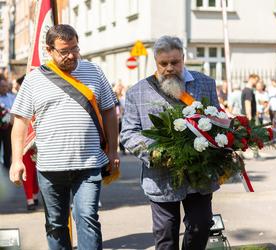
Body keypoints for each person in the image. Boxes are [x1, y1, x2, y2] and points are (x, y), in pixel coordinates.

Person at [9, 24, 119, 250]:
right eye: (64, 51)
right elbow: (20, 122)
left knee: (87, 218)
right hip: (50, 166)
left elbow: (109, 111)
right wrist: (16, 160)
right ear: (49, 50)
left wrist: (113, 150)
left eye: (75, 49)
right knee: (56, 224)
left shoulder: (94, 71)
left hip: (89, 163)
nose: (71, 55)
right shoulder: (33, 79)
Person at [121, 35, 219, 250]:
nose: (169, 68)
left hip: (199, 173)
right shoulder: (137, 92)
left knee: (200, 225)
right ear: (155, 62)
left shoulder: (205, 84)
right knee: (166, 233)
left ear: (183, 58)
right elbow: (128, 133)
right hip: (160, 175)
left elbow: (217, 121)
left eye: (175, 62)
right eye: (163, 64)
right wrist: (156, 152)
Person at [0, 78, 16, 169]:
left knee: (8, 149)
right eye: (2, 86)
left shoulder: (12, 97)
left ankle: (7, 168)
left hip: (8, 127)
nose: (4, 88)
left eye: (6, 86)